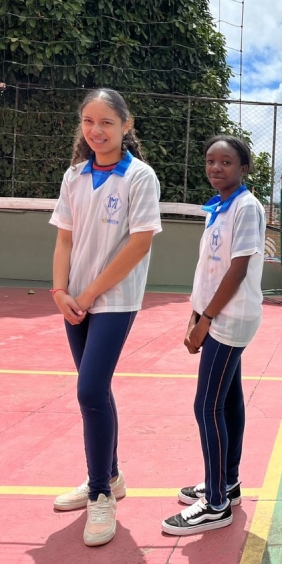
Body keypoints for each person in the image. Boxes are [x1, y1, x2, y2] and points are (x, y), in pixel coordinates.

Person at [50, 88, 162, 546]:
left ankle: (100, 494)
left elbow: (140, 243)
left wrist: (88, 293)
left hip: (113, 300)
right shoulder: (74, 176)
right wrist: (60, 291)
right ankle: (110, 477)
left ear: (126, 125)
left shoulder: (140, 176)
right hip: (74, 300)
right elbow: (64, 239)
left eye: (107, 123)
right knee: (95, 390)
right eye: (88, 121)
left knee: (90, 389)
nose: (96, 131)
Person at [161, 135, 265, 535]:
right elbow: (207, 267)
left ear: (243, 168)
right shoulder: (217, 207)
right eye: (210, 161)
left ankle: (216, 503)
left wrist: (206, 318)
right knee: (229, 399)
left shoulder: (246, 207)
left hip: (229, 318)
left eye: (226, 161)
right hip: (214, 315)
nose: (216, 168)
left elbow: (237, 270)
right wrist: (194, 314)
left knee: (207, 406)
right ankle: (228, 483)